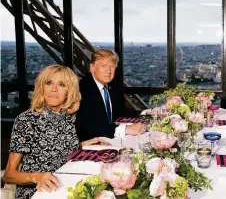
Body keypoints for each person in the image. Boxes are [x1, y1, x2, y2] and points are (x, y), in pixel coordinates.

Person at [3, 65, 106, 199]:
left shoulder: (68, 117)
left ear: (69, 91)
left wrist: (82, 145)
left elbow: (57, 149)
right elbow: (8, 175)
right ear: (42, 87)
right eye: (49, 83)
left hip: (65, 184)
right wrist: (37, 177)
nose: (53, 89)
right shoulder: (26, 120)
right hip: (37, 191)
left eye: (61, 84)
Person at [75, 49, 146, 142]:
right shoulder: (82, 90)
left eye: (112, 67)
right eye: (103, 66)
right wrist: (125, 129)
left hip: (109, 137)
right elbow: (88, 126)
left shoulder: (113, 86)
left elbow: (121, 111)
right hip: (91, 142)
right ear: (92, 67)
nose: (108, 71)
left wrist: (146, 113)